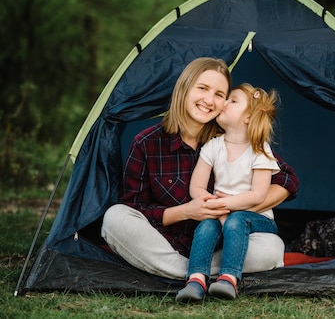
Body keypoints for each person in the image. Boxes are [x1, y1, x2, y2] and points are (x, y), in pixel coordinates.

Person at [101, 58, 298, 283]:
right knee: (115, 218)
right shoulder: (147, 142)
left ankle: (195, 272)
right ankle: (191, 270)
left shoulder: (231, 136)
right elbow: (133, 207)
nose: (209, 100)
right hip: (166, 243)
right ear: (184, 89)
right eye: (203, 88)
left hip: (221, 245)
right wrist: (186, 211)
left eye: (219, 94)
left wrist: (231, 208)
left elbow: (287, 181)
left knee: (272, 248)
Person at [176, 83, 280, 302]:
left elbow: (258, 195)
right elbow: (197, 187)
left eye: (233, 101)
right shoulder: (213, 147)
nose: (223, 103)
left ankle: (228, 278)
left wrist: (227, 207)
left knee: (236, 220)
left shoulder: (259, 148)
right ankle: (195, 280)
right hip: (219, 210)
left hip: (256, 217)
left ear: (248, 117)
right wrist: (211, 205)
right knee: (205, 225)